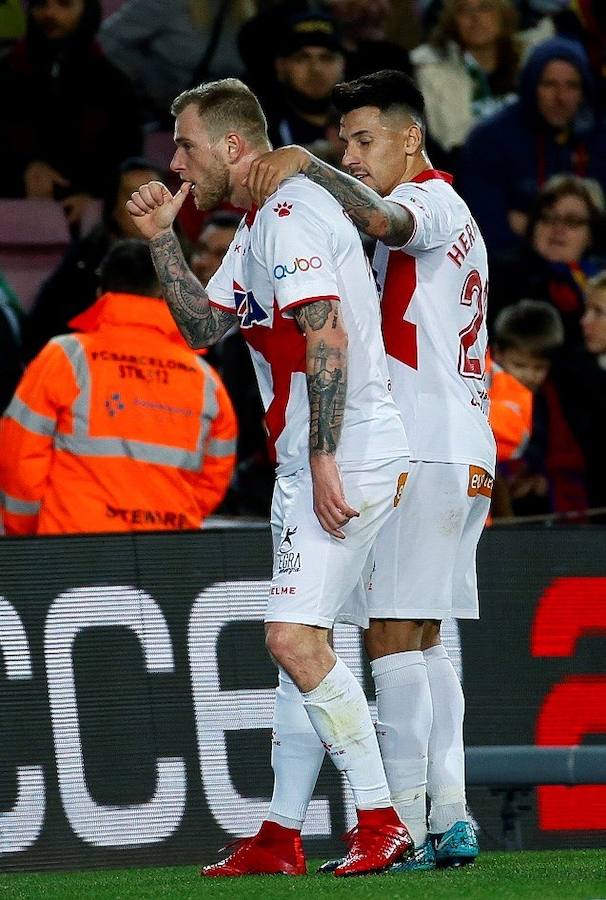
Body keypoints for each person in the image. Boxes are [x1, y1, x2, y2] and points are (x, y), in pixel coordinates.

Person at [126, 77, 412, 877]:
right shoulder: (260, 224)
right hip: (322, 450)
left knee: (290, 637)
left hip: (342, 449)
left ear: (233, 146)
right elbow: (203, 328)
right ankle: (282, 835)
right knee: (306, 642)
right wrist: (161, 235)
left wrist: (322, 454)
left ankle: (383, 820)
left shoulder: (287, 218)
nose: (175, 160)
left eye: (184, 144)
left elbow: (327, 336)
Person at [245, 68, 496, 871]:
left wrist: (305, 166)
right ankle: (450, 815)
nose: (350, 155)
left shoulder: (433, 201)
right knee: (424, 639)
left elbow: (387, 218)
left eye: (364, 139)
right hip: (460, 440)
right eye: (341, 142)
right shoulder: (451, 213)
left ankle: (411, 825)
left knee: (392, 636)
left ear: (411, 136)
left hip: (424, 437)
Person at [0, 239, 237, 535]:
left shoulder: (64, 358)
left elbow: (19, 457)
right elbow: (214, 476)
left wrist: (28, 536)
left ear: (101, 292)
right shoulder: (204, 379)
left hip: (71, 547)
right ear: (166, 297)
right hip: (167, 553)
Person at [458, 36, 606, 255]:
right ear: (530, 86)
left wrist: (528, 224)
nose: (561, 97)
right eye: (549, 84)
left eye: (572, 85)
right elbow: (482, 229)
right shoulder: (490, 139)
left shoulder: (599, 138)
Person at [0, 0, 142, 227]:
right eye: (41, 4)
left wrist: (97, 198)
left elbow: (126, 153)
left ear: (87, 10)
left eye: (64, 4)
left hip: (90, 215)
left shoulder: (112, 83)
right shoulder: (7, 73)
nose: (49, 13)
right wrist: (24, 168)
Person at [23, 157, 163, 362]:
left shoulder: (184, 259)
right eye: (134, 195)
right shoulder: (81, 265)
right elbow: (43, 335)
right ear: (113, 208)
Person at [491, 299, 587, 516]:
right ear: (498, 354)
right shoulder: (485, 395)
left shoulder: (550, 400)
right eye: (519, 365)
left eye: (539, 367)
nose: (530, 375)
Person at [489, 173, 606, 347]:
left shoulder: (599, 281)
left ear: (592, 234)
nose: (558, 228)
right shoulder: (503, 275)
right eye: (548, 218)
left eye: (572, 221)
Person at [411, 0, 522, 167]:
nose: (475, 17)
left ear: (503, 15)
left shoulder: (527, 62)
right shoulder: (432, 71)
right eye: (464, 10)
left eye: (485, 7)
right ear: (452, 20)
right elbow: (448, 141)